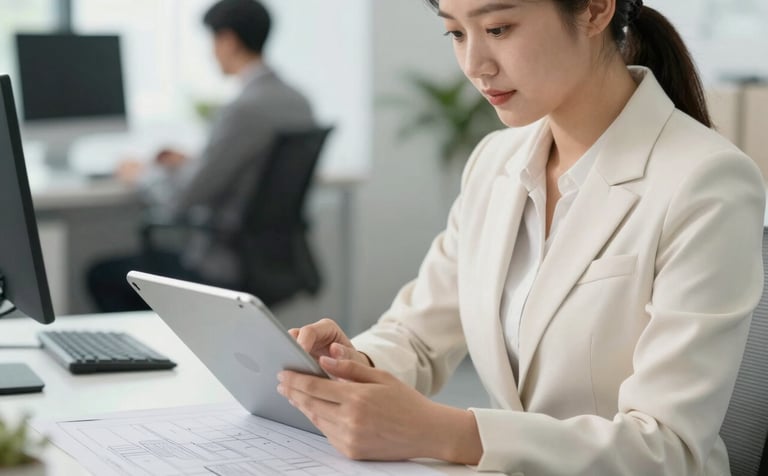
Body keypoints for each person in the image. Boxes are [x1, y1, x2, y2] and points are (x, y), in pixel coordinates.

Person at [277, 0, 766, 474]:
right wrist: (349, 364)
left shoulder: (706, 181)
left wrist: (446, 432)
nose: (474, 65)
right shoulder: (495, 160)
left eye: (498, 29)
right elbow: (417, 335)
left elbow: (667, 448)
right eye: (456, 33)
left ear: (596, 9)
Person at [87, 0, 315, 312]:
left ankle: (142, 357)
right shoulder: (298, 101)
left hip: (223, 265)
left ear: (228, 41)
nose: (211, 52)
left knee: (100, 275)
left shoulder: (243, 109)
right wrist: (195, 162)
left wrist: (140, 175)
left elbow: (182, 199)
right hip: (272, 261)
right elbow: (254, 169)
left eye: (213, 41)